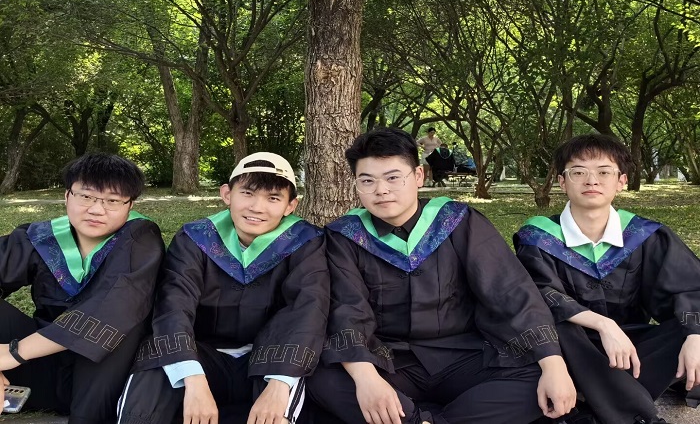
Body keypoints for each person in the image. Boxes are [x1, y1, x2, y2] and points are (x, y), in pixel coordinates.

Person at [306, 127, 576, 424]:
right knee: (324, 379)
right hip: (388, 361)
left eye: (393, 177)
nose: (381, 190)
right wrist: (367, 378)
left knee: (538, 376)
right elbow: (347, 309)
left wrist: (553, 363)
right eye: (367, 180)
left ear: (418, 176)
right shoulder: (344, 236)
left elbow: (509, 290)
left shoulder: (457, 221)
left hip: (465, 356)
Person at [118, 152, 329, 424]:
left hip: (270, 356)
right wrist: (192, 377)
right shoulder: (196, 238)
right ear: (227, 194)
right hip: (201, 352)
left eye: (273, 198)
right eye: (248, 193)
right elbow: (173, 304)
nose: (257, 207)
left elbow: (308, 309)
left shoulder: (305, 242)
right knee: (154, 363)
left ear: (291, 205)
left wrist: (280, 383)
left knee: (284, 396)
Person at [514, 134, 700, 424]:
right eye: (578, 172)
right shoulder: (538, 238)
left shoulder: (644, 235)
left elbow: (688, 286)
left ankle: (595, 395)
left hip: (632, 347)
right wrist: (603, 324)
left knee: (692, 327)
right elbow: (538, 294)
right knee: (558, 327)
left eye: (604, 172)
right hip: (570, 350)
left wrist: (694, 335)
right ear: (562, 182)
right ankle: (633, 411)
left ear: (621, 181)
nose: (592, 181)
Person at [0, 153, 164, 423]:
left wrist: (12, 353)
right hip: (42, 368)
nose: (97, 210)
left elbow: (113, 309)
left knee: (119, 325)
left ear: (130, 205)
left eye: (112, 200)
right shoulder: (42, 237)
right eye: (86, 196)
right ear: (67, 196)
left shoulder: (140, 239)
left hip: (108, 377)